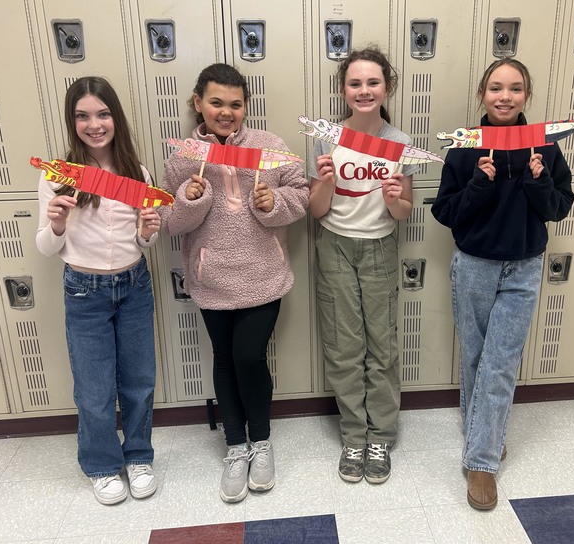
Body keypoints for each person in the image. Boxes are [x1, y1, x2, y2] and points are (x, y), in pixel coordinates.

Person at [159, 63, 308, 503]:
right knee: (224, 359)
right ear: (198, 104)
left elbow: (300, 194)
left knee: (248, 355)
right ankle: (235, 447)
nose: (226, 112)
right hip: (211, 279)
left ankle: (260, 443)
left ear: (246, 106)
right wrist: (191, 199)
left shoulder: (270, 147)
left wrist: (274, 201)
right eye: (216, 103)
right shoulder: (184, 155)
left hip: (263, 275)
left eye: (235, 104)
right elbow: (167, 220)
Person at [431, 59, 574, 511]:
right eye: (496, 88)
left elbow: (557, 209)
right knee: (476, 357)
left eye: (515, 89)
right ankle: (485, 435)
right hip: (474, 265)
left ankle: (481, 462)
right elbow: (445, 213)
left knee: (501, 362)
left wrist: (539, 180)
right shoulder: (464, 148)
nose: (505, 96)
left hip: (524, 266)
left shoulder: (544, 147)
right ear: (482, 94)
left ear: (526, 96)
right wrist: (478, 184)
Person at [35, 76, 161, 506]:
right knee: (93, 387)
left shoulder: (136, 172)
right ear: (72, 123)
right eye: (83, 116)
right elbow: (47, 247)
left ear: (115, 118)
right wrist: (54, 224)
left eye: (103, 114)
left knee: (140, 381)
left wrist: (148, 232)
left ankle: (139, 456)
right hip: (84, 290)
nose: (94, 124)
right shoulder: (60, 176)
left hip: (134, 284)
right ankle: (102, 465)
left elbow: (144, 242)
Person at [308, 46, 416, 484]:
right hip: (334, 246)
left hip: (380, 250)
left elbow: (404, 211)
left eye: (373, 82)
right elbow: (315, 211)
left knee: (382, 346)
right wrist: (327, 185)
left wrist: (395, 200)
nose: (364, 90)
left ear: (386, 87)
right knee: (343, 346)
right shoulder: (325, 137)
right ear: (343, 89)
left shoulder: (400, 142)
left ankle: (381, 436)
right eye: (355, 83)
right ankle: (354, 433)